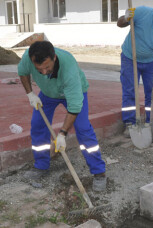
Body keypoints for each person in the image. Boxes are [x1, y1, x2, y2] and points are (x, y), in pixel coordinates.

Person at [18, 41, 106, 191]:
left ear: (54, 58)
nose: (44, 72)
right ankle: (41, 166)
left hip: (72, 93)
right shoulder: (28, 57)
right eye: (39, 69)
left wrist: (62, 134)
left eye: (47, 67)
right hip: (47, 94)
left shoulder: (68, 68)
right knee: (38, 125)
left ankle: (99, 172)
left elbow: (75, 106)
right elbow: (23, 72)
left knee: (83, 128)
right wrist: (30, 94)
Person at [117, 3, 153, 135]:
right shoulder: (142, 12)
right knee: (130, 91)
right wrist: (126, 18)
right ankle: (129, 124)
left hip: (152, 62)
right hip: (130, 58)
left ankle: (151, 123)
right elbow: (119, 23)